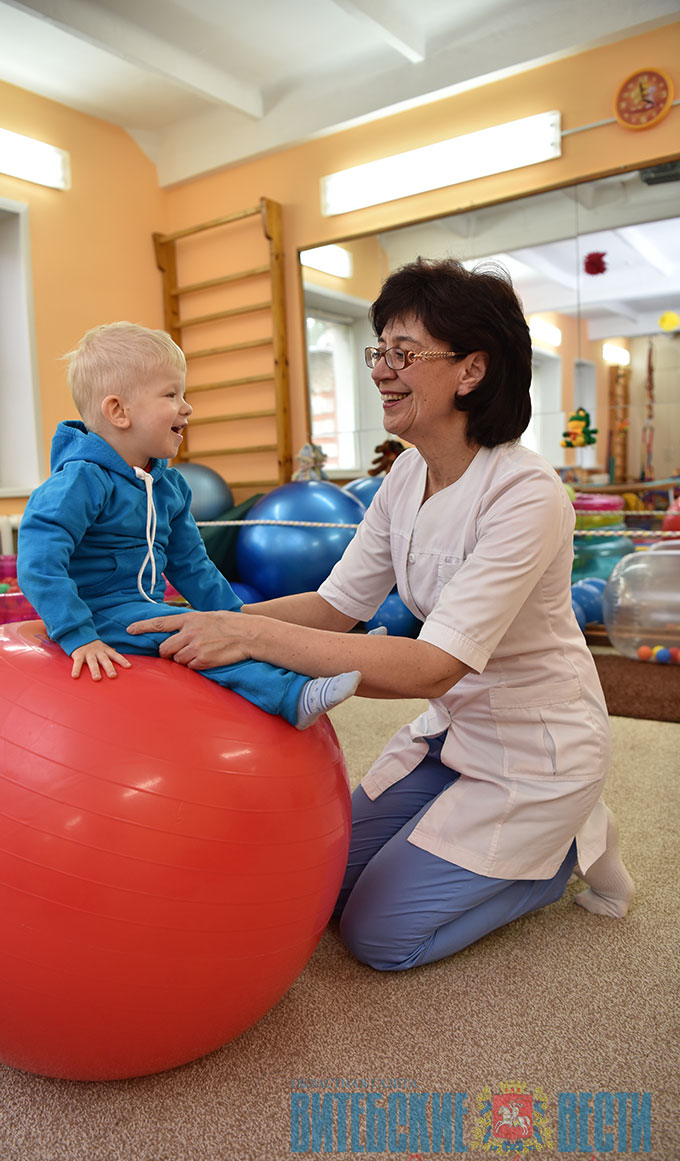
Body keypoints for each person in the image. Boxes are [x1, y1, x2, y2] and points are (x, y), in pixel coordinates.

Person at [126, 258, 635, 971]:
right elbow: (336, 606)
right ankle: (486, 841)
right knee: (322, 887)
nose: (381, 370)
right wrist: (184, 621)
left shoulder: (527, 492)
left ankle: (554, 862)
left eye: (404, 353)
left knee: (379, 938)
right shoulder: (404, 473)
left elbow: (431, 666)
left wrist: (247, 630)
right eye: (379, 351)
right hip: (457, 731)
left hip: (536, 751)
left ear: (470, 371)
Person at [16, 322, 360, 729]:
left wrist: (234, 619)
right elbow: (39, 562)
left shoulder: (168, 486)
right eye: (171, 394)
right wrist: (78, 633)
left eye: (184, 394)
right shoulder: (80, 481)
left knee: (223, 630)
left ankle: (330, 659)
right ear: (118, 412)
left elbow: (192, 564)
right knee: (187, 642)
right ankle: (290, 694)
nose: (187, 406)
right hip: (97, 614)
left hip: (144, 607)